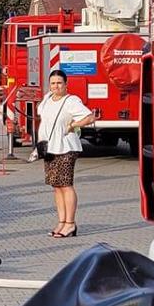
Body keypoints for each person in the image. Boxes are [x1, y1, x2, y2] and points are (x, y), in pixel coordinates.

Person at [35, 68, 97, 238]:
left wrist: (73, 126)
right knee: (56, 186)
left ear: (66, 84)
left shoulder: (71, 101)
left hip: (66, 147)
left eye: (59, 83)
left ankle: (70, 223)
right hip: (49, 148)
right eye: (53, 83)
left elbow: (90, 117)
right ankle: (61, 222)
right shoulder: (47, 99)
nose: (56, 86)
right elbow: (41, 113)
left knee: (65, 184)